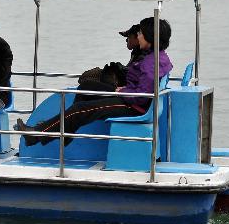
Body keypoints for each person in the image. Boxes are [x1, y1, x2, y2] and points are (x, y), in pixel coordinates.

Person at [15, 17, 173, 146]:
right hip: (131, 98)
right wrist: (125, 89)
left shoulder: (152, 62)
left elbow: (143, 96)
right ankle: (65, 133)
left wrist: (123, 91)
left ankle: (36, 135)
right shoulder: (155, 57)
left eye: (140, 33)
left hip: (134, 107)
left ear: (150, 37)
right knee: (87, 87)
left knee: (79, 109)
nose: (138, 36)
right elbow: (142, 87)